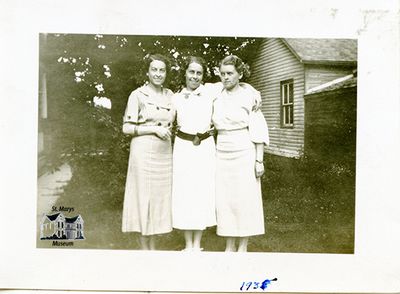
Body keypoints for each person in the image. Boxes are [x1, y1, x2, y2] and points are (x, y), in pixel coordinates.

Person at [212, 55, 269, 252]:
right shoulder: (216, 95)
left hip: (244, 148)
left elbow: (258, 129)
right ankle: (229, 245)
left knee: (244, 198)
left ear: (240, 74)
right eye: (222, 73)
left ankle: (242, 246)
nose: (225, 77)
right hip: (222, 150)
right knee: (225, 199)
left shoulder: (249, 97)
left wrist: (259, 160)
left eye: (230, 73)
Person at [121, 54, 175, 250]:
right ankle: (145, 249)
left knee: (159, 199)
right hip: (143, 151)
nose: (158, 74)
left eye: (162, 70)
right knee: (143, 196)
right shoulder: (137, 95)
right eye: (154, 69)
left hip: (163, 153)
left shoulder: (171, 95)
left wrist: (250, 90)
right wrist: (153, 129)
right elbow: (127, 128)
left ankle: (154, 246)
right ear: (147, 72)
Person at [171, 56, 217, 251]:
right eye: (192, 72)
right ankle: (187, 244)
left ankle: (197, 244)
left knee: (201, 192)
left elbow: (240, 83)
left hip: (204, 147)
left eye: (199, 73)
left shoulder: (211, 91)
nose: (195, 76)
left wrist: (256, 93)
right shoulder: (175, 97)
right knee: (184, 193)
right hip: (182, 147)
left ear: (203, 75)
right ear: (185, 72)